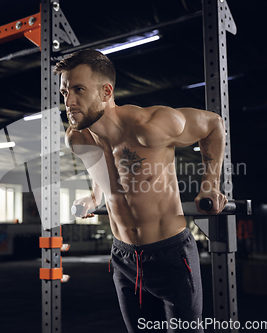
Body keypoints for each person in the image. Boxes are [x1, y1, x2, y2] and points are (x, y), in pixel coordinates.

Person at [54, 49, 227, 333]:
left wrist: (210, 183)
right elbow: (103, 168)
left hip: (171, 254)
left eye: (78, 90)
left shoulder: (151, 125)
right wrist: (95, 196)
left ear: (106, 91)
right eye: (64, 92)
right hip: (123, 258)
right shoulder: (77, 137)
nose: (68, 101)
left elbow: (214, 126)